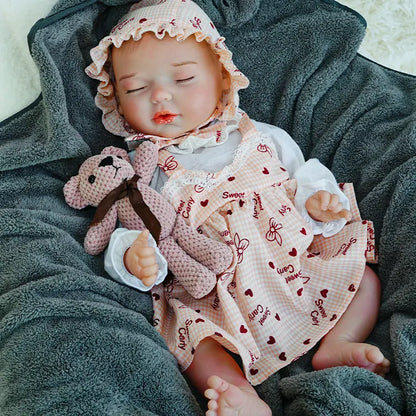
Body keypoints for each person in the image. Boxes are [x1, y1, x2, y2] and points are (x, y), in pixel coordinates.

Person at [85, 1, 390, 414]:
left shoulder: (259, 135)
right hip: (218, 297)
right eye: (135, 88)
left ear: (221, 80)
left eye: (184, 78)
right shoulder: (144, 171)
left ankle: (339, 342)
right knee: (192, 341)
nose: (160, 95)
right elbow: (132, 222)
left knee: (361, 276)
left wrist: (318, 202)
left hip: (296, 264)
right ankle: (239, 394)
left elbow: (305, 174)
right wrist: (132, 255)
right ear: (116, 101)